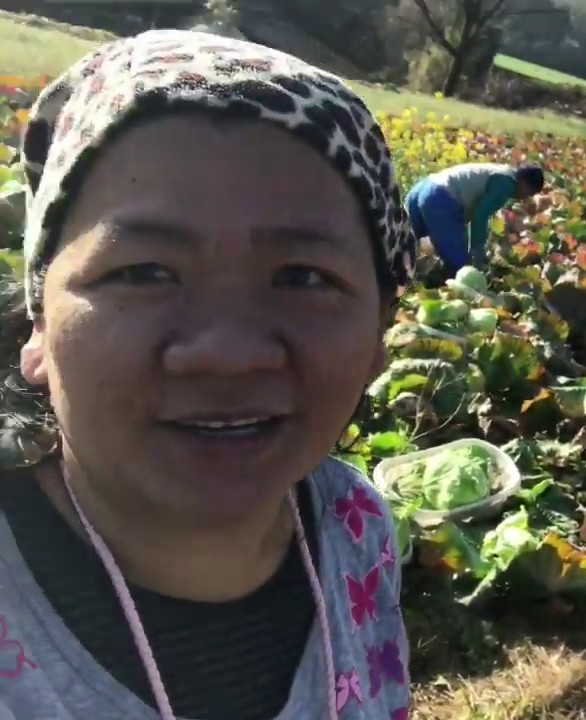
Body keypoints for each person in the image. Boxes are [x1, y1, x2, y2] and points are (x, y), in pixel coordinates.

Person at [0, 29, 417, 720]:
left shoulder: (356, 528)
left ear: (380, 333)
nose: (225, 351)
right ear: (40, 323)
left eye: (302, 277)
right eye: (144, 272)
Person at [405, 162, 546, 276]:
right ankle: (431, 282)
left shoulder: (501, 171)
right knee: (459, 267)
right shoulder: (507, 185)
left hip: (424, 187)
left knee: (401, 245)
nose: (525, 198)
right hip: (440, 198)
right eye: (529, 192)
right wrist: (478, 250)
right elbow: (480, 216)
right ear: (524, 183)